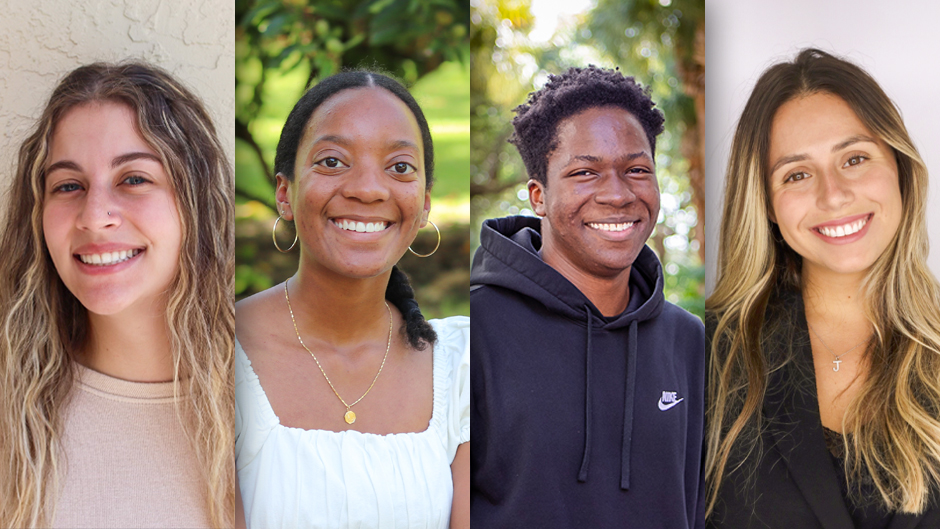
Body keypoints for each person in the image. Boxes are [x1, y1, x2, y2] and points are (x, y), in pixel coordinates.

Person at [705, 48, 940, 528]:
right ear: (766, 203)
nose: (833, 194)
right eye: (797, 174)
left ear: (899, 166)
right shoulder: (704, 354)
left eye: (854, 158)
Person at [0, 63, 235, 528]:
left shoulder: (264, 404)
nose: (95, 215)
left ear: (194, 202)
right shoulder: (12, 417)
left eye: (133, 179)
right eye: (68, 186)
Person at [470, 65, 706, 528]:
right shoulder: (475, 328)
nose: (617, 195)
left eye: (636, 170)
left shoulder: (688, 340)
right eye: (585, 172)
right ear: (538, 195)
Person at [233, 70, 469, 528]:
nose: (367, 189)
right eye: (333, 161)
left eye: (399, 167)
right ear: (285, 193)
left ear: (424, 205)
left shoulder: (459, 366)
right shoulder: (220, 351)